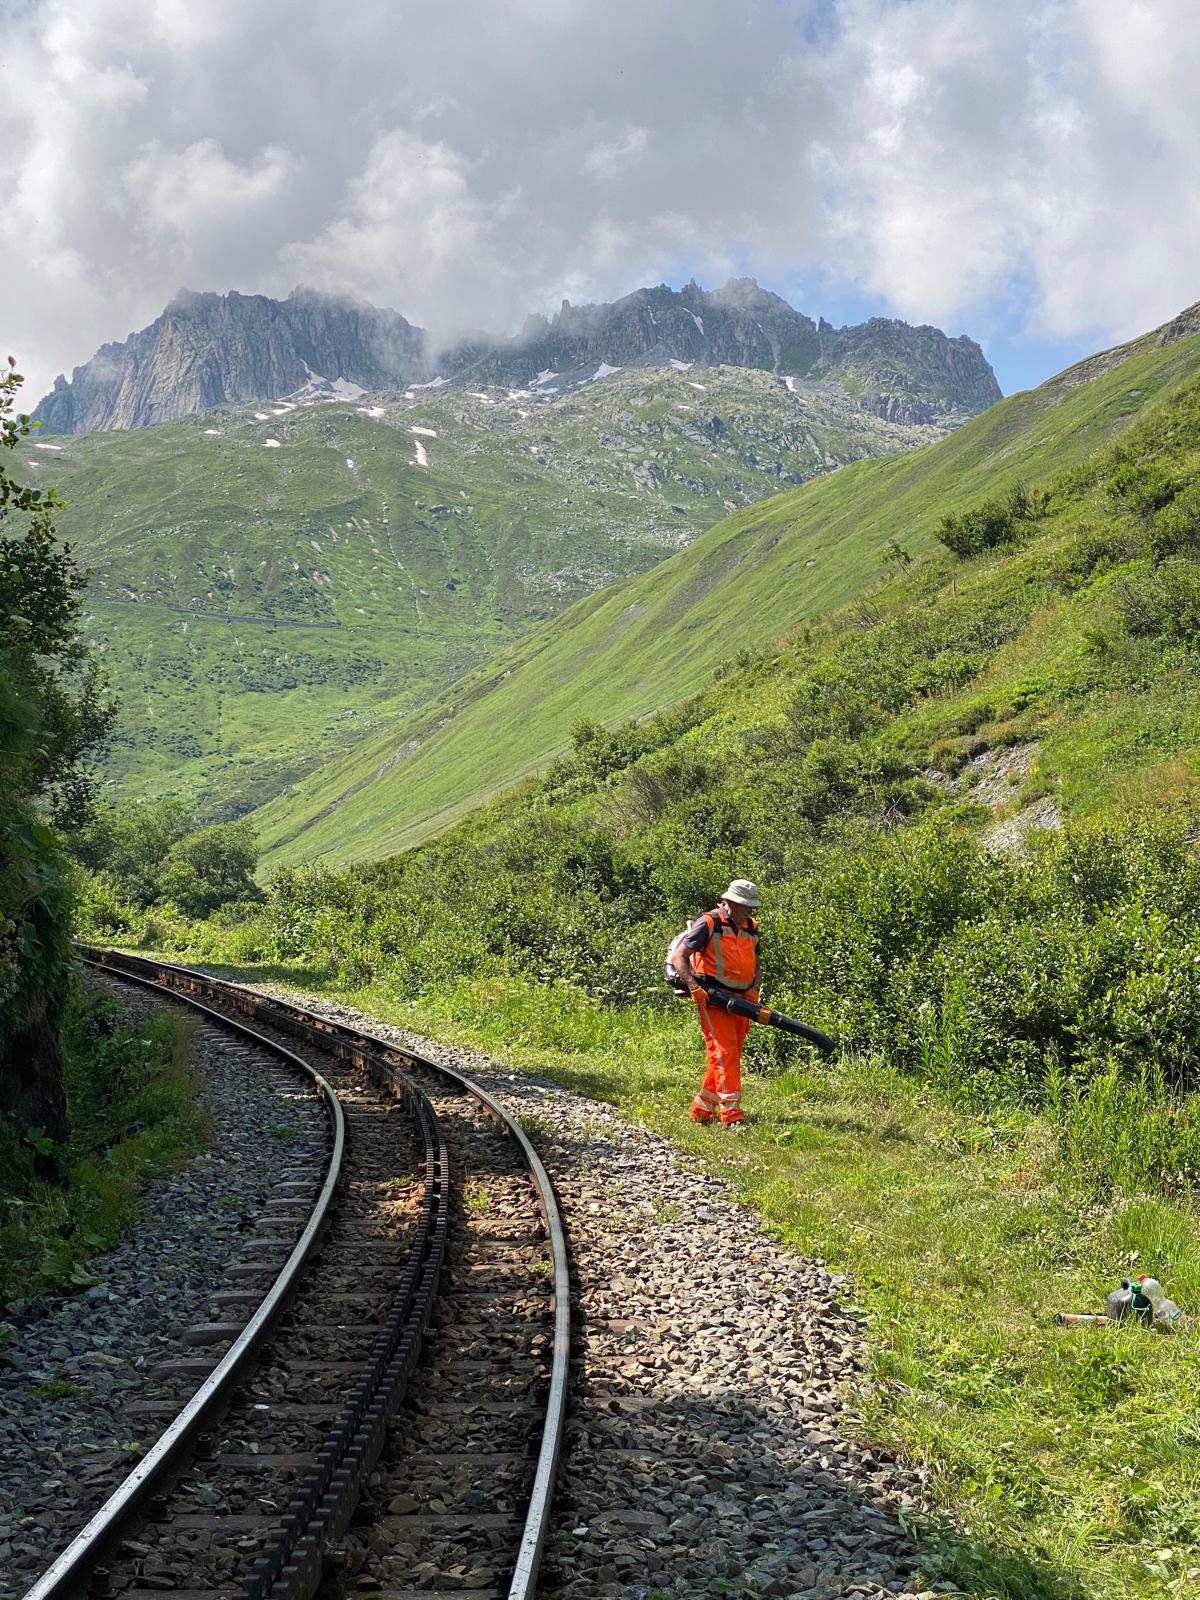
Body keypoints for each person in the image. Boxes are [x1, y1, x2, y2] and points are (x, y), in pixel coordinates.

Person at [671, 879, 761, 1128]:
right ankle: (732, 1116)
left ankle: (702, 1109)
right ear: (731, 902)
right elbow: (680, 957)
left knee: (729, 1056)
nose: (750, 911)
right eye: (746, 906)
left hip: (742, 1001)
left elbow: (757, 962)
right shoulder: (708, 923)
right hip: (714, 998)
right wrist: (694, 987)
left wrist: (753, 988)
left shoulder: (751, 927)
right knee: (724, 1052)